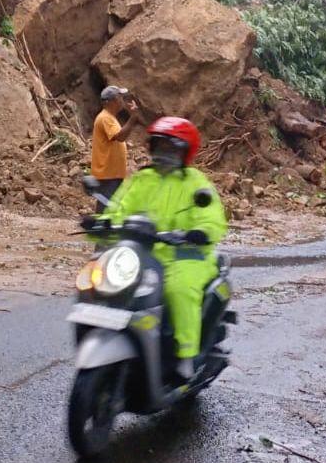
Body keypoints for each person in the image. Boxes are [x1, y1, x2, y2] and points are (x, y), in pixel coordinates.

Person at [91, 117, 228, 380]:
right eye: (160, 146)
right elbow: (119, 208)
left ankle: (185, 356)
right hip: (142, 253)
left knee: (178, 289)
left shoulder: (196, 183)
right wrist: (102, 223)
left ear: (184, 152)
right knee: (101, 280)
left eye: (171, 148)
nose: (164, 153)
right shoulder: (142, 179)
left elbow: (212, 218)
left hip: (185, 255)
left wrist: (199, 232)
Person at [90, 86, 138, 210]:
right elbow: (120, 137)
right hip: (108, 174)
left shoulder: (110, 117)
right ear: (110, 101)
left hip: (112, 173)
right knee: (106, 209)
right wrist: (133, 118)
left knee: (109, 208)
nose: (122, 100)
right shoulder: (105, 118)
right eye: (119, 97)